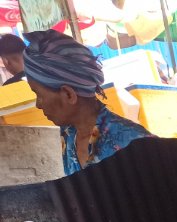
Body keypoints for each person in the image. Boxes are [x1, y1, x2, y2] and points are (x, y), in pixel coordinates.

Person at [23, 30, 151, 176]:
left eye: (39, 94)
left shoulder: (133, 142)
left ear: (68, 94)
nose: (38, 105)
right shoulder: (68, 136)